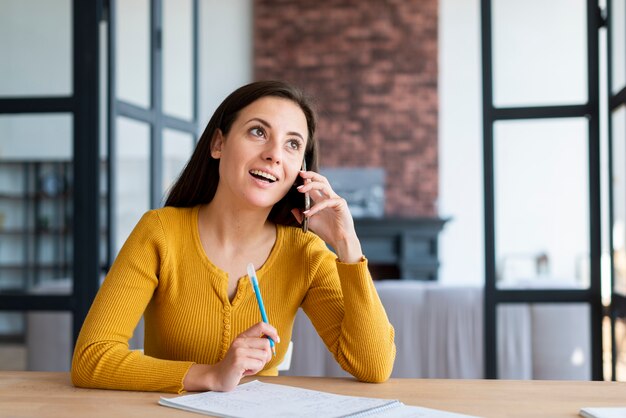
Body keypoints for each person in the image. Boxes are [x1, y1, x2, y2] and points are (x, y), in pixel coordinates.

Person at [71, 80, 396, 393]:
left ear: (301, 168)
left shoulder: (305, 253)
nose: (274, 154)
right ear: (218, 144)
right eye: (258, 132)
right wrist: (211, 375)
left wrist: (347, 245)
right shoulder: (160, 232)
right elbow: (91, 358)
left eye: (293, 144)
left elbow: (374, 366)